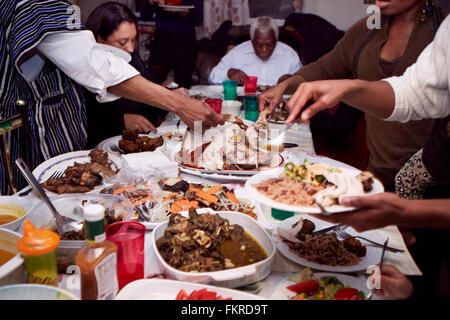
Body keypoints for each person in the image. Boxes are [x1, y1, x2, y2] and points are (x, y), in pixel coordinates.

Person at [0, 0, 222, 194]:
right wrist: (181, 105)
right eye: (122, 42)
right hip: (20, 145)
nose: (130, 48)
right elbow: (95, 66)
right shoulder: (32, 4)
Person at [259, 0, 446, 190]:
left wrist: (351, 88)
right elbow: (325, 67)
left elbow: (411, 96)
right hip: (376, 175)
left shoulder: (441, 32)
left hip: (430, 182)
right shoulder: (369, 27)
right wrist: (285, 86)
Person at [84, 2, 188, 147]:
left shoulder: (133, 59)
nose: (131, 48)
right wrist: (122, 121)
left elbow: (148, 103)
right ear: (98, 40)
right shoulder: (83, 72)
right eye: (122, 42)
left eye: (133, 40)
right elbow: (84, 125)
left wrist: (169, 95)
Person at [208, 16, 302, 86]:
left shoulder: (289, 54)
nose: (264, 50)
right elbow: (212, 77)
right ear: (252, 41)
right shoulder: (238, 52)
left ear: (276, 40)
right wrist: (229, 73)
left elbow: (304, 81)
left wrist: (293, 80)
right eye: (259, 45)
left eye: (270, 44)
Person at [141, 0, 203, 88]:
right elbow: (145, 16)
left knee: (183, 86)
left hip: (185, 40)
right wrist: (150, 2)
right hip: (162, 40)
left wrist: (181, 11)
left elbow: (198, 19)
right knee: (152, 84)